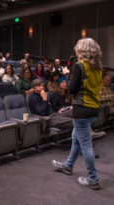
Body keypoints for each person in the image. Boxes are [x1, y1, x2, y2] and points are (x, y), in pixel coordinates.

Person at [52, 38, 103, 190]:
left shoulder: (79, 66)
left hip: (81, 108)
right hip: (94, 108)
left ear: (81, 50)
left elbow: (72, 89)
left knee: (86, 145)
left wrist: (67, 75)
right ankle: (68, 165)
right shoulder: (98, 68)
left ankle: (93, 178)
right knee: (76, 137)